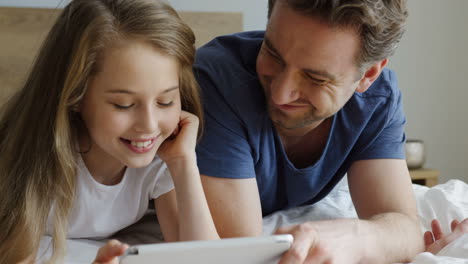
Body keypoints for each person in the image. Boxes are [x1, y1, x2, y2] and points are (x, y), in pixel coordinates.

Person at [194, 0, 424, 262]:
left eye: (316, 78)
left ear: (368, 75)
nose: (281, 93)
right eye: (272, 54)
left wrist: (355, 235)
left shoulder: (377, 99)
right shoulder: (216, 80)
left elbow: (406, 231)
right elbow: (242, 250)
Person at [0, 0, 218, 263]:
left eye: (165, 102)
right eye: (123, 104)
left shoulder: (161, 156)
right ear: (75, 95)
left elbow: (204, 258)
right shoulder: (32, 153)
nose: (149, 125)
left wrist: (184, 164)